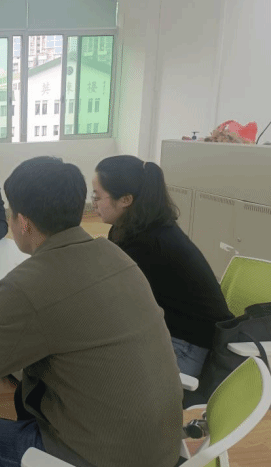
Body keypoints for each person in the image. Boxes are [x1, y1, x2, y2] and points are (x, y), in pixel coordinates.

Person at [0, 156, 183, 467]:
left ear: (23, 222)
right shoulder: (115, 254)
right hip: (160, 454)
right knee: (26, 399)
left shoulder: (26, 283)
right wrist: (14, 304)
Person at [93, 155, 233, 378]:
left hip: (189, 346)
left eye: (98, 196)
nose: (94, 204)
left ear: (126, 200)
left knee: (97, 369)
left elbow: (114, 300)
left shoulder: (149, 243)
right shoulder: (132, 229)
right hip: (168, 331)